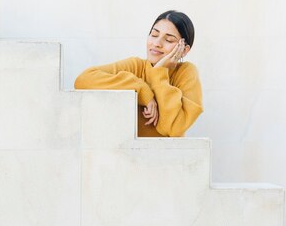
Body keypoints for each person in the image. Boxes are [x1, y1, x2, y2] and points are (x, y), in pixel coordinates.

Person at [74, 10, 203, 137]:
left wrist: (159, 72)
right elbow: (83, 80)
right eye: (153, 35)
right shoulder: (136, 66)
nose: (157, 43)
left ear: (184, 50)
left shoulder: (186, 73)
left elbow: (173, 128)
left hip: (167, 156)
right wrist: (141, 90)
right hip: (127, 155)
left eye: (169, 40)